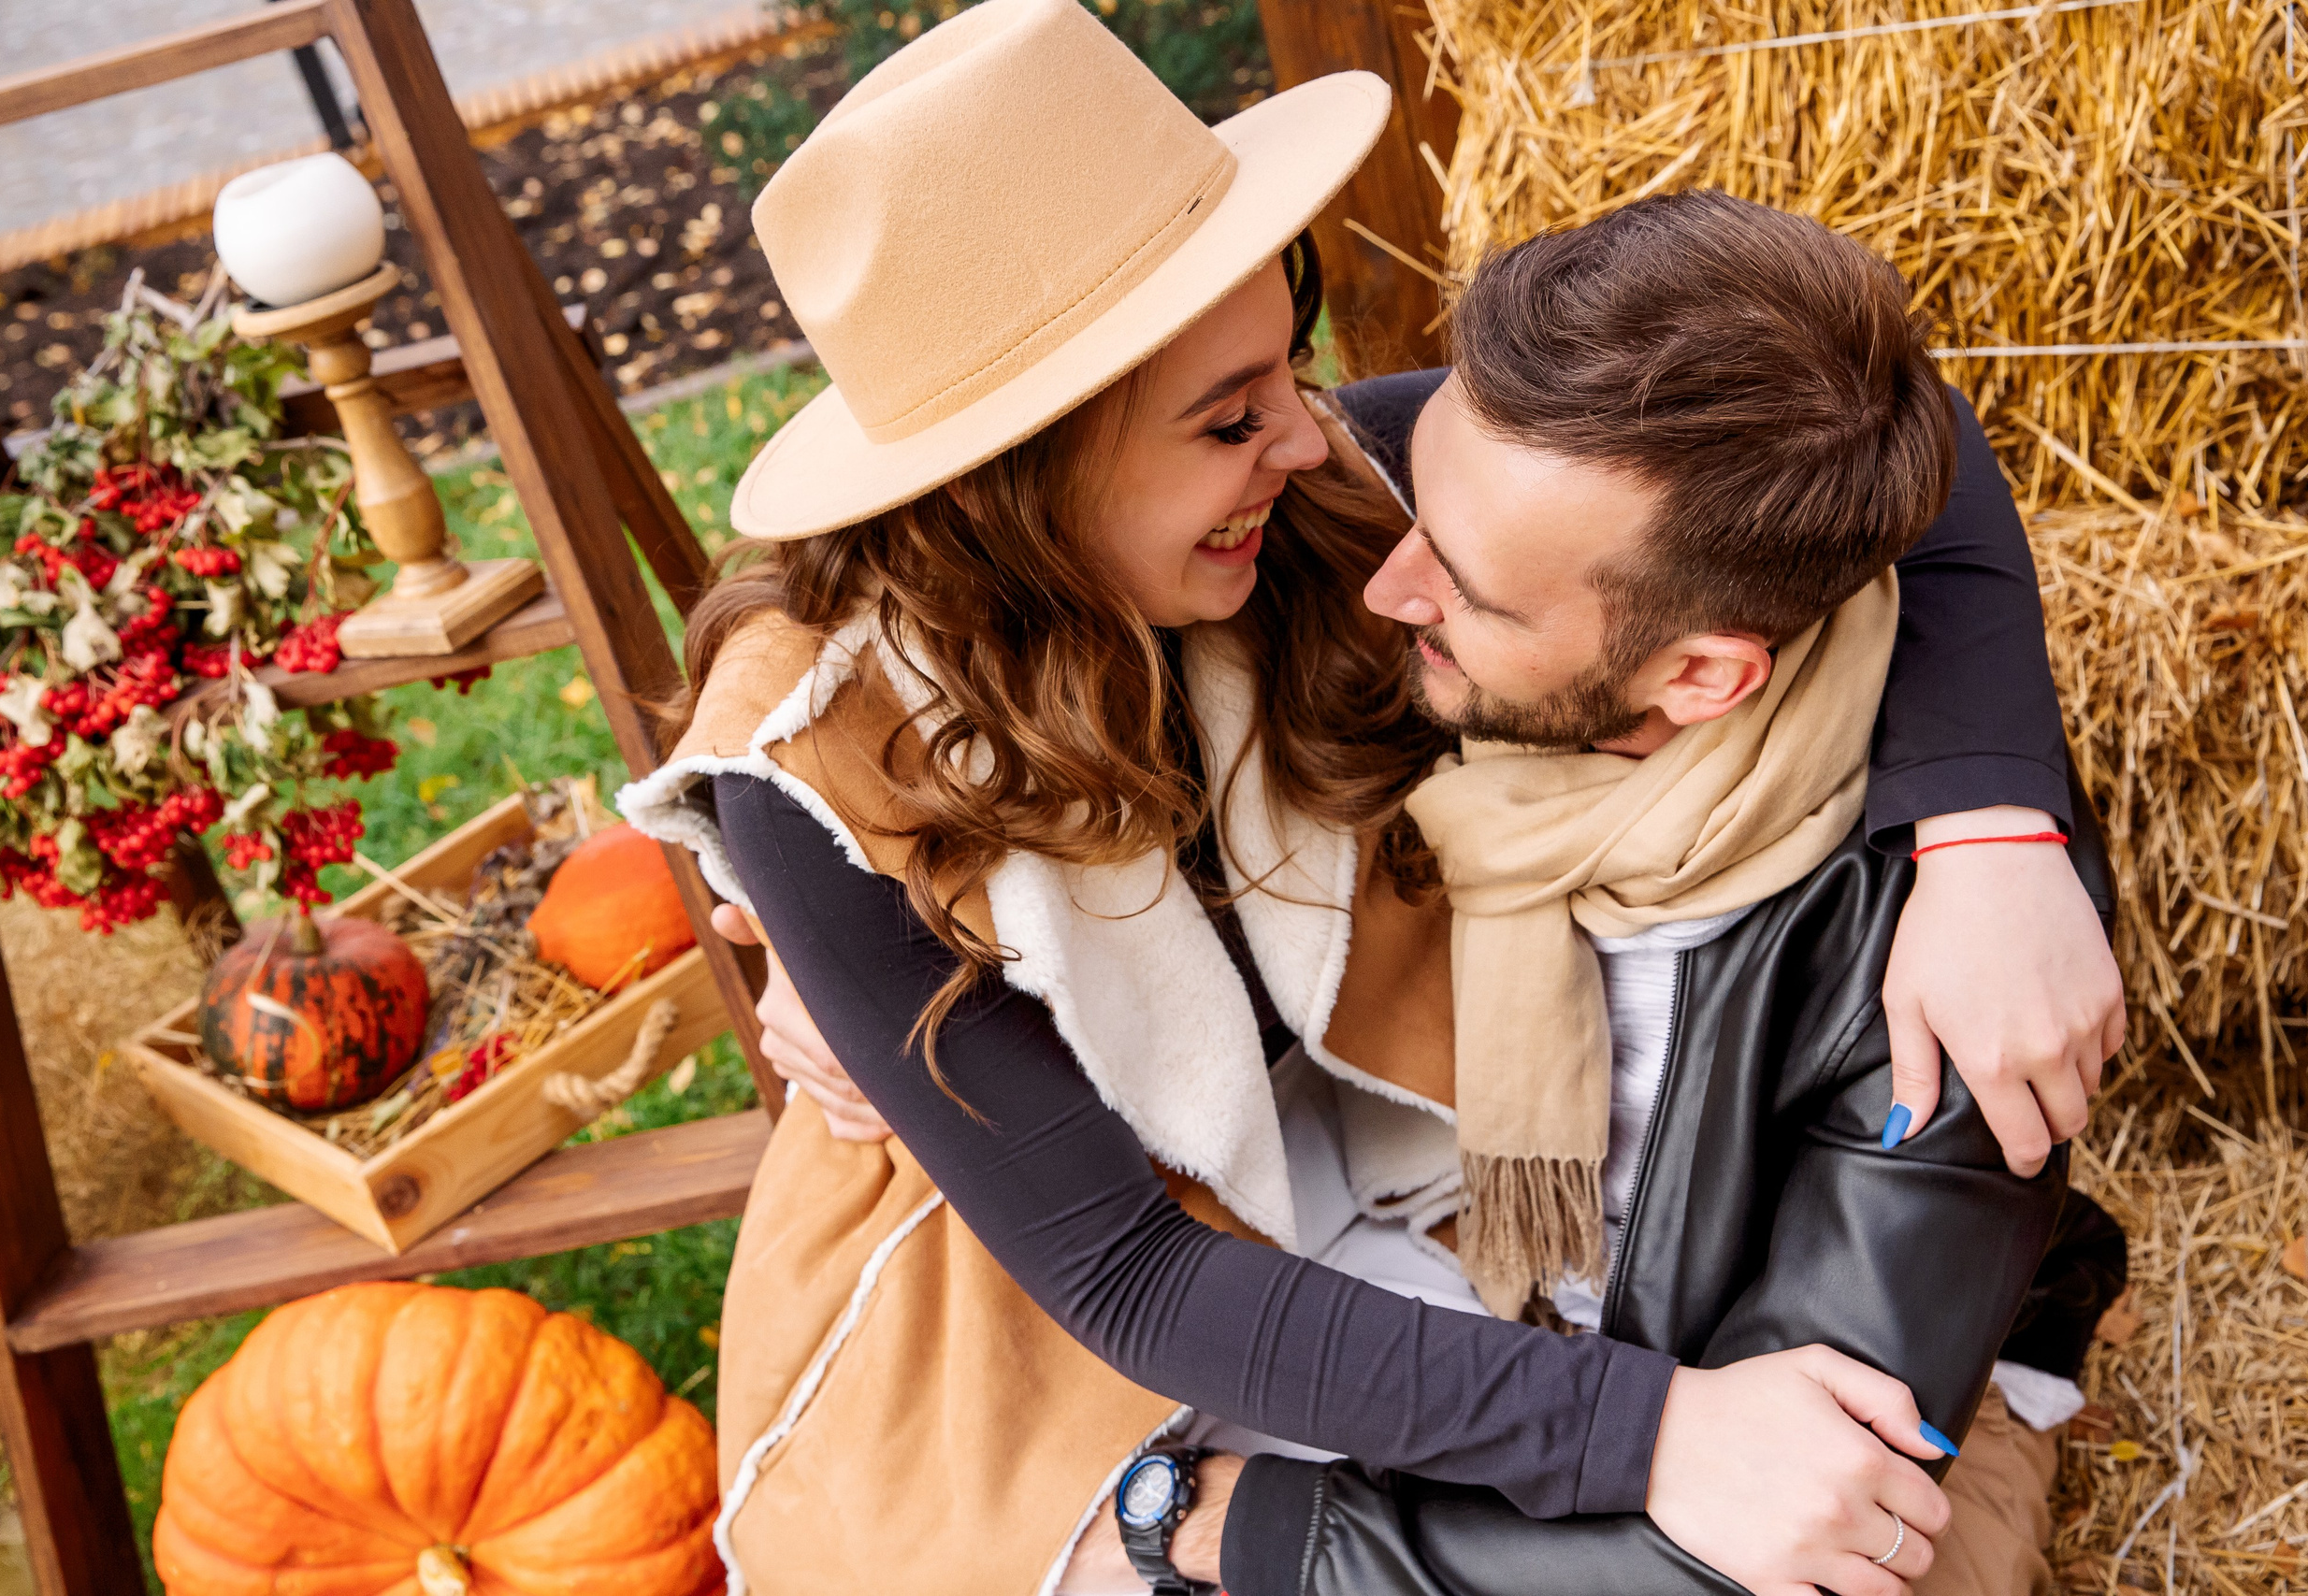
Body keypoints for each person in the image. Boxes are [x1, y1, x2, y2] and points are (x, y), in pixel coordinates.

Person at [616, 4, 2122, 1592]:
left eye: (1289, 357)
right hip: (1059, 1285)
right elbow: (1126, 1275)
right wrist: (1658, 1433)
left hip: (1367, 1164)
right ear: (1026, 475)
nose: (1304, 432)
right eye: (1227, 417)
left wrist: (1991, 831)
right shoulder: (824, 768)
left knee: (1779, 1528)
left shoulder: (1307, 497)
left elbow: (1885, 433)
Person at [1110, 193, 2126, 1596]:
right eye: (1420, 504)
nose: (1382, 584)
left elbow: (1789, 1513)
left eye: (1459, 587)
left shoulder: (1956, 986)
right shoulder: (1489, 616)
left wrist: (1255, 1532)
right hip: (1485, 1335)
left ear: (1701, 676)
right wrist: (811, 906)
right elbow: (930, 597)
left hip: (1752, 1419)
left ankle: (2019, 1408)